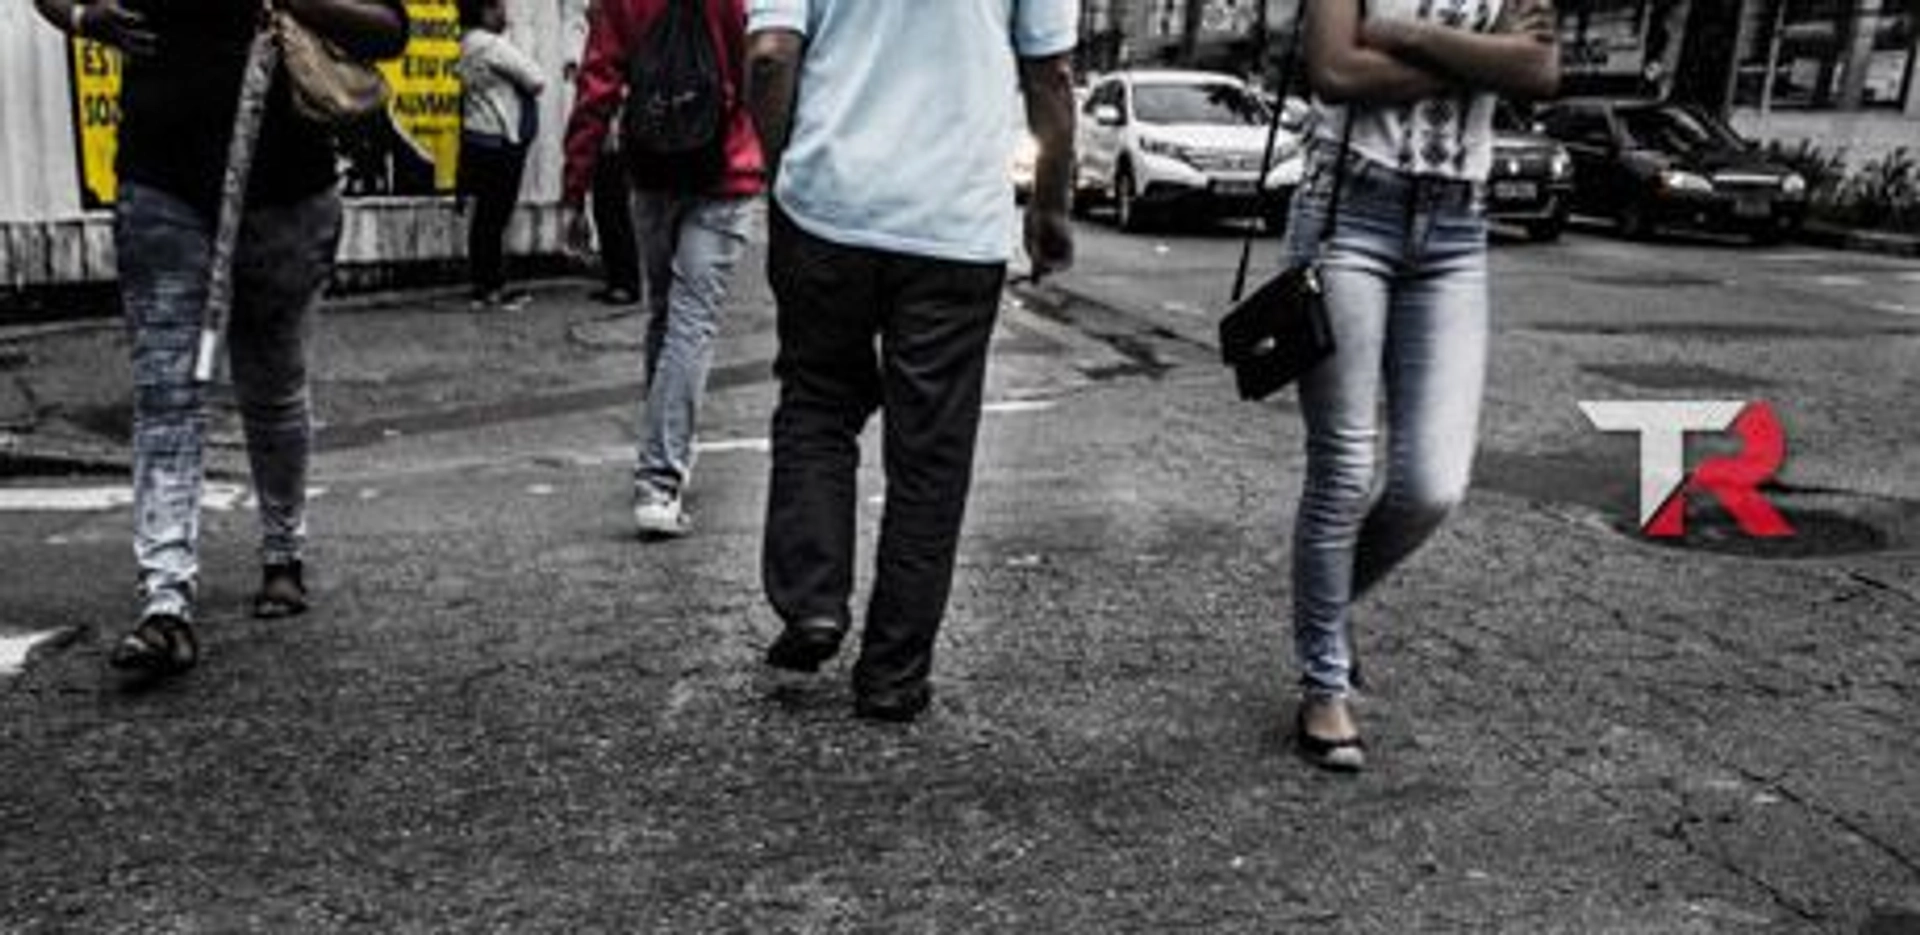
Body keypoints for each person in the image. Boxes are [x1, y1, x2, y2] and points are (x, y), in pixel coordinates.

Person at [31, 0, 409, 676]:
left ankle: (283, 551)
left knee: (273, 381)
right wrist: (85, 18)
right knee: (167, 390)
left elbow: (390, 28)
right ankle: (165, 601)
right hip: (160, 179)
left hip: (288, 189)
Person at [745, 0, 1078, 721]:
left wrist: (785, 171)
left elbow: (769, 55)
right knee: (931, 454)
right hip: (954, 226)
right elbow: (1050, 76)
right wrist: (1050, 208)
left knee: (817, 399)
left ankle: (813, 600)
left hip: (826, 210)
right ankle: (893, 674)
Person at [1282, 0, 1558, 769]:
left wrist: (1404, 35)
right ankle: (1324, 684)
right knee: (1343, 470)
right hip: (1347, 211)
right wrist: (1480, 58)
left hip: (1457, 229)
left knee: (1432, 486)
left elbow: (1539, 70)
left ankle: (1325, 608)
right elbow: (1336, 70)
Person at [561, 0, 765, 539]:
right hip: (726, 167)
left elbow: (597, 85)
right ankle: (659, 478)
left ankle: (663, 455)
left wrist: (574, 188)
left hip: (653, 166)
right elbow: (766, 59)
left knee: (666, 314)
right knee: (692, 321)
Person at [457, 0, 546, 310]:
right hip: (501, 139)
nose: (505, 13)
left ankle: (482, 285)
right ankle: (492, 286)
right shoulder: (492, 45)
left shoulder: (464, 43)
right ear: (485, 10)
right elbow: (536, 78)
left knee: (484, 216)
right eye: (499, 6)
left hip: (476, 137)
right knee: (496, 216)